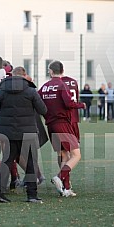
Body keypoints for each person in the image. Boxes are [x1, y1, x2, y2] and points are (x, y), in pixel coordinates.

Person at [0, 66, 47, 203]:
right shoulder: (31, 91)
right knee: (31, 163)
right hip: (28, 132)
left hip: (7, 132)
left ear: (11, 75)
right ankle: (32, 194)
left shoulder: (2, 90)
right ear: (24, 75)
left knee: (7, 161)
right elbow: (43, 109)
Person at [38, 60, 86, 198]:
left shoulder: (45, 86)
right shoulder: (61, 84)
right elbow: (68, 103)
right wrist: (81, 105)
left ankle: (65, 187)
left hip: (51, 125)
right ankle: (60, 176)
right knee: (76, 155)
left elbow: (38, 101)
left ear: (50, 71)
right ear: (62, 71)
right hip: (62, 123)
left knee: (64, 155)